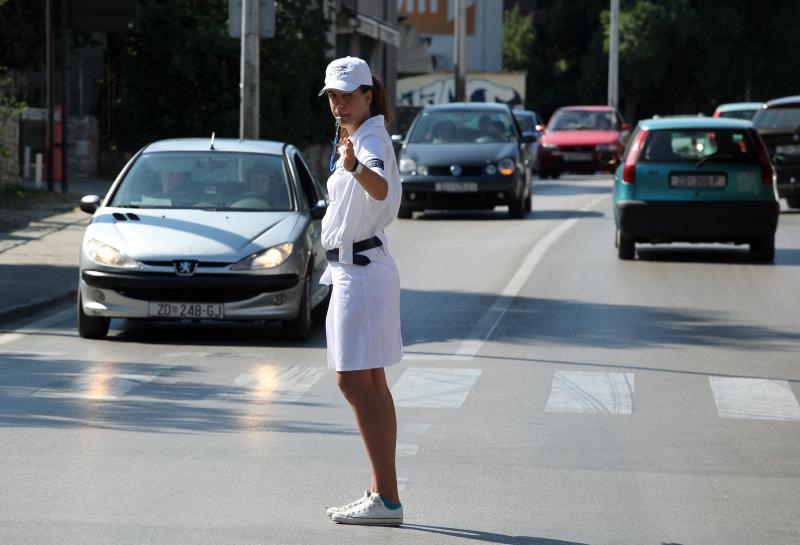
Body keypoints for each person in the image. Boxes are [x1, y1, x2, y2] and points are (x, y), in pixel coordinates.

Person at [317, 56, 404, 526]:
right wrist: (348, 161)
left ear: (369, 95)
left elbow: (380, 187)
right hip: (359, 269)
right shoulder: (359, 135)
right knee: (370, 382)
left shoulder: (369, 140)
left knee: (352, 381)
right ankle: (382, 494)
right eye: (333, 95)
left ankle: (386, 498)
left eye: (348, 95)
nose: (339, 103)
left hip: (362, 271)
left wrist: (352, 166)